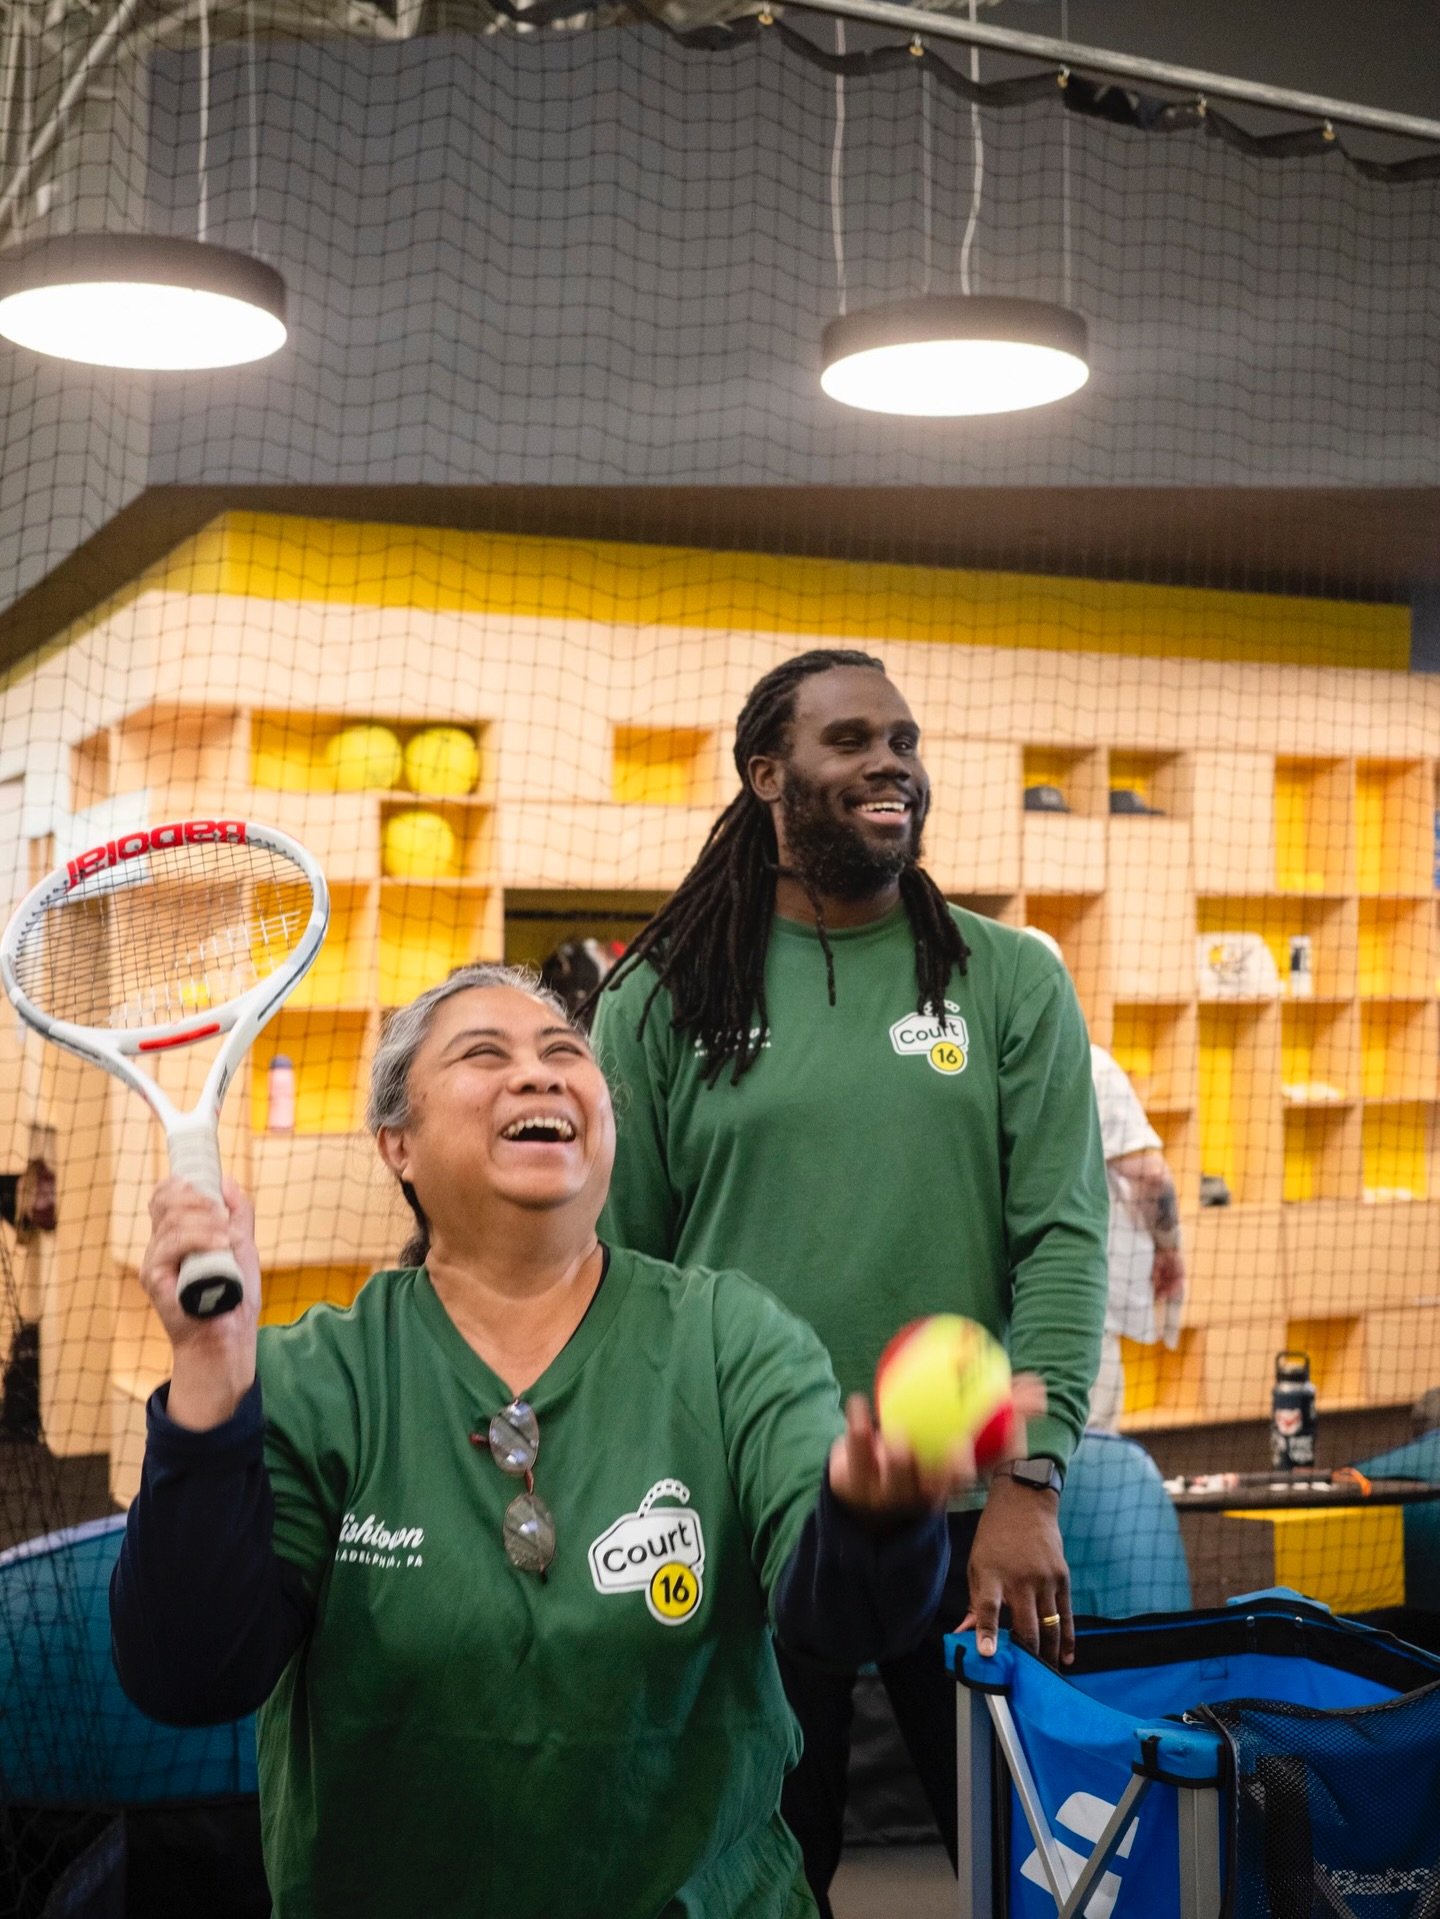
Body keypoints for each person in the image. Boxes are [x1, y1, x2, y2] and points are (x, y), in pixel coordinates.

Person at [109, 963, 1045, 1919]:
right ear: (398, 1144)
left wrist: (876, 1518)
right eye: (485, 1055)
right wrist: (212, 1371)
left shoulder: (732, 1338)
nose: (541, 1074)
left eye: (565, 1054)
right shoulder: (322, 1376)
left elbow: (839, 1624)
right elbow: (190, 1672)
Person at [589, 649, 1109, 1914]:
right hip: (745, 1513)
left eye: (905, 741)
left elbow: (1063, 1238)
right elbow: (621, 1276)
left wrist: (1026, 1477)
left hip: (971, 1511)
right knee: (759, 1873)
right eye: (852, 740)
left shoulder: (1010, 976)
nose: (893, 764)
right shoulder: (662, 993)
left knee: (1046, 1870)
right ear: (768, 774)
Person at [1021, 926, 1186, 1431]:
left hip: (1004, 1314)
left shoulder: (980, 1068)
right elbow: (1152, 1178)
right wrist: (1169, 1247)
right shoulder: (1091, 1067)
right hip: (1081, 1308)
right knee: (1083, 1460)